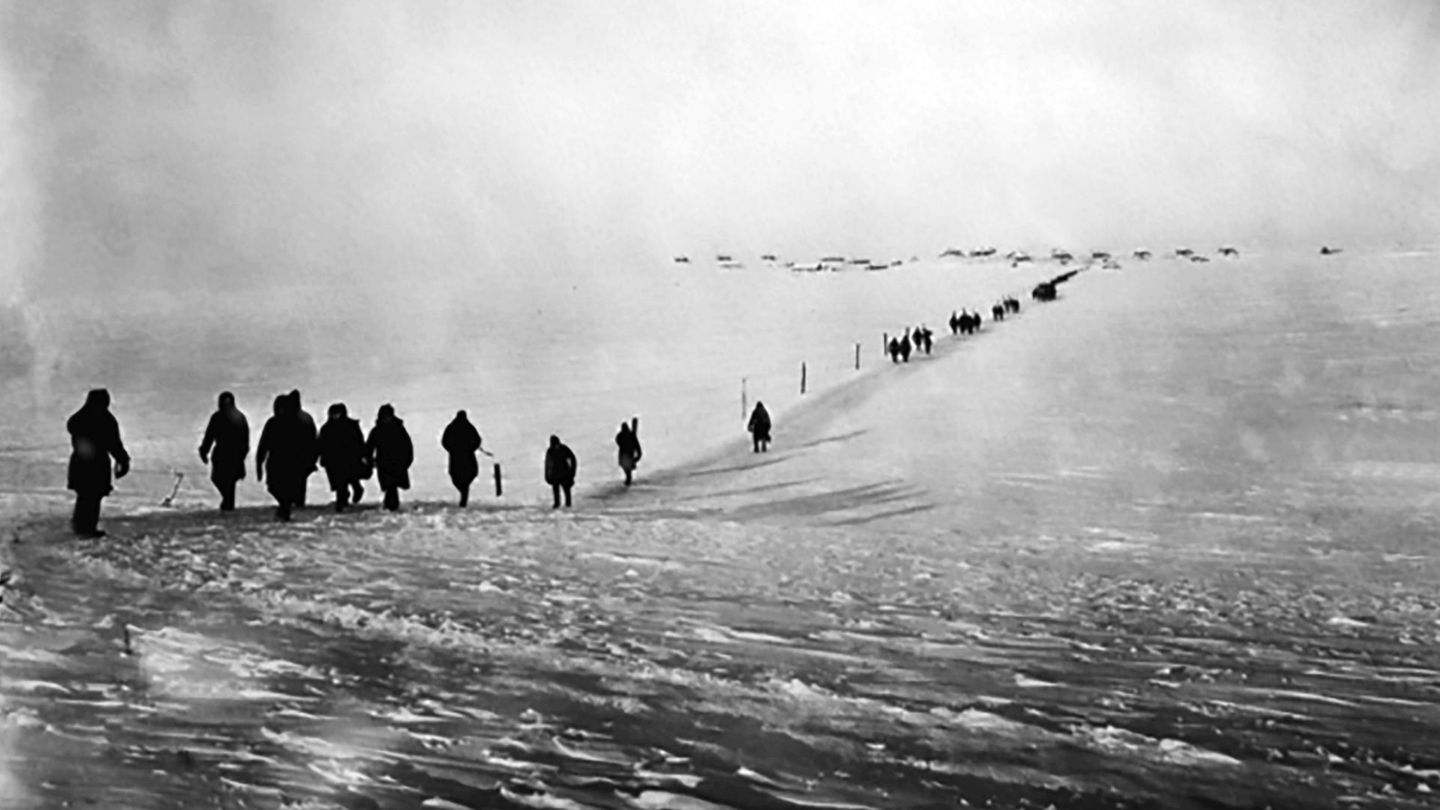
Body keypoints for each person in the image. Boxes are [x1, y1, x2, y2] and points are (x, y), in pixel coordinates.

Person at [66, 388, 130, 537]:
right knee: (92, 497)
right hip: (96, 464)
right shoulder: (105, 420)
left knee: (85, 496)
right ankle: (87, 528)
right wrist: (123, 460)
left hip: (80, 463)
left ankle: (81, 526)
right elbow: (114, 443)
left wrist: (122, 459)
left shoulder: (79, 419)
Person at [257, 394, 307, 521]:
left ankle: (285, 509)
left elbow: (305, 443)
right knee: (273, 486)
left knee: (286, 487)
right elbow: (264, 443)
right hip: (275, 461)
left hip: (291, 461)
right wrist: (259, 462)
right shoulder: (272, 422)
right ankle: (285, 506)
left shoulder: (296, 423)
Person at [199, 391, 249, 511]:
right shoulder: (240, 417)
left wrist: (204, 451)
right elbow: (245, 441)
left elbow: (209, 436)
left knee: (218, 479)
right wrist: (242, 457)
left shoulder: (217, 417)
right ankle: (228, 502)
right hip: (237, 455)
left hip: (222, 454)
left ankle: (227, 502)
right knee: (230, 481)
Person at [318, 402, 368, 512]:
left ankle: (355, 491)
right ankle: (342, 502)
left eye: (337, 413)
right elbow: (321, 444)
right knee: (340, 483)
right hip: (334, 461)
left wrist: (363, 454)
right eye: (333, 414)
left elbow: (359, 441)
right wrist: (322, 457)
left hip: (350, 458)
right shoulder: (326, 428)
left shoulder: (351, 426)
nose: (335, 416)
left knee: (350, 478)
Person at [366, 403, 413, 511]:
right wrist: (369, 459)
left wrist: (407, 460)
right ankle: (390, 505)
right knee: (389, 486)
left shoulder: (398, 429)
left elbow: (407, 446)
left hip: (397, 462)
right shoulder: (377, 430)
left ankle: (391, 506)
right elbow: (369, 446)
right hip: (383, 463)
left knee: (392, 485)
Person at [441, 410, 482, 507]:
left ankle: (463, 495)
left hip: (459, 457)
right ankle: (464, 493)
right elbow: (477, 440)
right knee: (463, 477)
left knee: (460, 477)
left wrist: (452, 449)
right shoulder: (469, 427)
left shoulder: (452, 427)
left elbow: (445, 441)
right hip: (463, 456)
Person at [289, 390, 318, 508]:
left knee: (291, 480)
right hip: (304, 456)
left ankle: (291, 502)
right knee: (300, 482)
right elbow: (314, 439)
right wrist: (314, 457)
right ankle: (299, 503)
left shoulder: (287, 417)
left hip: (291, 455)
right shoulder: (306, 418)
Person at [544, 435, 577, 508]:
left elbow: (573, 459)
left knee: (567, 492)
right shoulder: (550, 451)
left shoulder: (564, 449)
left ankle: (568, 507)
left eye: (557, 444)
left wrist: (572, 473)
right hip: (555, 475)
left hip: (565, 474)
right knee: (556, 494)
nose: (556, 446)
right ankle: (557, 505)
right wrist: (547, 476)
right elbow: (547, 464)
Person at [615, 420, 642, 486]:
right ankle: (628, 480)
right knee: (627, 470)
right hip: (627, 455)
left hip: (626, 455)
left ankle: (628, 481)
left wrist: (638, 456)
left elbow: (618, 441)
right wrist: (638, 456)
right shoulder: (630, 435)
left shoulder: (622, 435)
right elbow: (637, 446)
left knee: (627, 470)